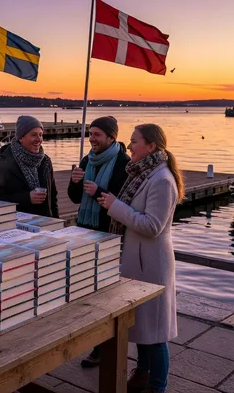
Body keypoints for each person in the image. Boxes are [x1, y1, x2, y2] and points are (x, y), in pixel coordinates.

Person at [95, 124, 183, 393]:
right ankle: (143, 375)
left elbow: (152, 226)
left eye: (134, 142)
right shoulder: (143, 174)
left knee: (155, 334)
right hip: (139, 261)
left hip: (152, 264)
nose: (129, 146)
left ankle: (158, 386)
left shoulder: (162, 180)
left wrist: (115, 207)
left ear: (151, 146)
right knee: (143, 328)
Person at [0, 115, 58, 217]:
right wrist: (27, 198)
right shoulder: (1, 164)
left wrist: (56, 223)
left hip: (44, 224)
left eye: (41, 135)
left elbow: (53, 197)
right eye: (34, 135)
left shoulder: (45, 161)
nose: (39, 139)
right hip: (16, 225)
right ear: (21, 137)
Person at [69, 116, 130, 233]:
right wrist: (74, 182)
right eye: (90, 134)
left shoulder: (124, 163)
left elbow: (124, 201)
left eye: (97, 134)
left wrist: (97, 192)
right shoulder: (87, 160)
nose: (92, 139)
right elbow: (75, 198)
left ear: (111, 138)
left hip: (109, 229)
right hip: (83, 227)